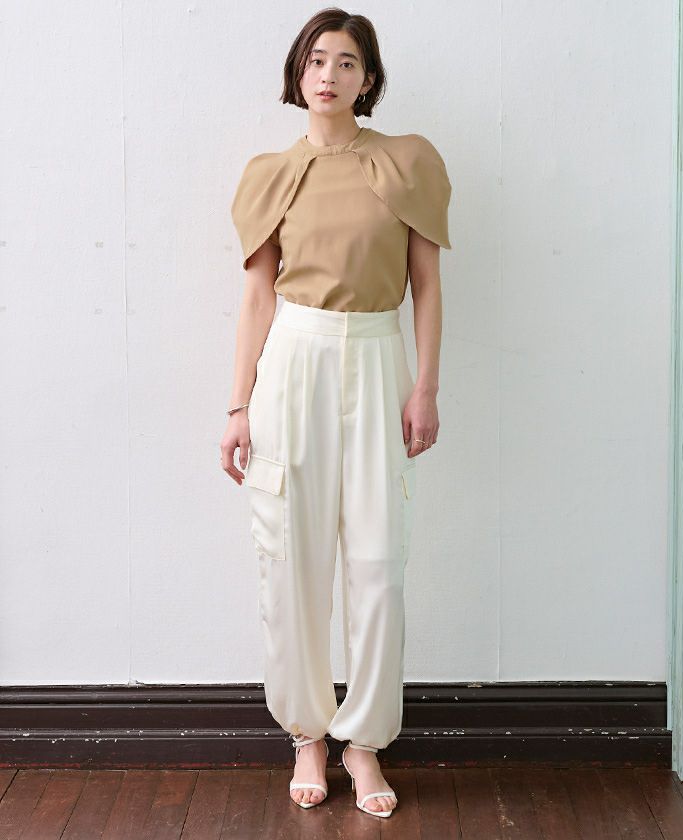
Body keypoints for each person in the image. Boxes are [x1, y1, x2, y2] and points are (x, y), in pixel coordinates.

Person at [220, 7, 451, 819]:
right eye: (316, 60)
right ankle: (307, 734)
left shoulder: (407, 162)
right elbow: (257, 297)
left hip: (380, 356)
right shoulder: (271, 173)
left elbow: (427, 285)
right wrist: (238, 405)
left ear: (368, 78)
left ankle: (364, 742)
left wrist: (425, 387)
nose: (329, 75)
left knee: (379, 559)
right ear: (299, 73)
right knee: (290, 553)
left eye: (346, 62)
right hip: (295, 361)